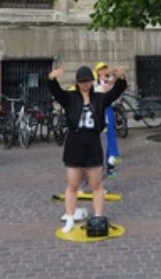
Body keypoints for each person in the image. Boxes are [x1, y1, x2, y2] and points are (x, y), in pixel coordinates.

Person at [48, 65, 127, 234]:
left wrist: (121, 78)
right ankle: (69, 217)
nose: (85, 84)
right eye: (82, 81)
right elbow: (55, 91)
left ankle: (98, 216)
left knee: (97, 184)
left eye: (88, 81)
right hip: (74, 143)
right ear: (77, 82)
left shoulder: (99, 98)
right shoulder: (70, 98)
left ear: (92, 81)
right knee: (72, 184)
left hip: (93, 142)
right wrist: (51, 78)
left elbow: (116, 92)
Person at [94, 62, 120, 177]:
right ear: (97, 71)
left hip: (108, 111)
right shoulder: (94, 83)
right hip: (98, 111)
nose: (103, 71)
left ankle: (111, 165)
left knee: (111, 138)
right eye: (101, 69)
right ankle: (99, 166)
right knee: (99, 140)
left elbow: (114, 84)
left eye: (105, 69)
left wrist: (114, 76)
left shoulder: (108, 80)